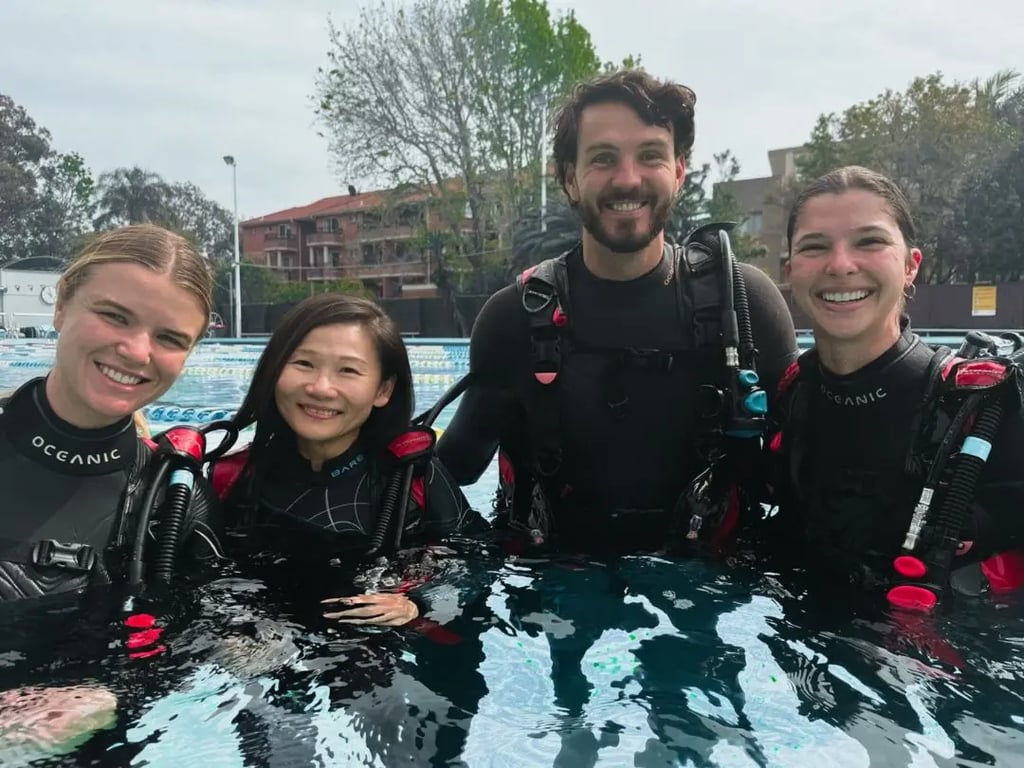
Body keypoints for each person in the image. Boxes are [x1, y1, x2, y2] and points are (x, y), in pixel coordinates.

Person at [437, 68, 798, 554]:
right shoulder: (514, 320)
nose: (627, 179)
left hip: (707, 589)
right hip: (552, 585)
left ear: (679, 171)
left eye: (650, 155)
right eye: (603, 159)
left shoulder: (746, 305)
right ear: (569, 179)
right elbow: (452, 470)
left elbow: (805, 474)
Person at [0, 223, 225, 760]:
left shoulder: (170, 500)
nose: (136, 351)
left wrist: (108, 696)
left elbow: (212, 637)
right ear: (61, 306)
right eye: (114, 316)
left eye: (170, 339)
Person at [766, 165, 1024, 611]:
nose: (841, 265)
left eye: (870, 241)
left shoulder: (989, 412)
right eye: (815, 246)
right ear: (791, 272)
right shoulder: (792, 398)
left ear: (910, 266)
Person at [210, 292, 491, 628]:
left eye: (348, 371)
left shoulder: (413, 478)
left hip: (372, 645)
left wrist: (419, 603)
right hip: (262, 638)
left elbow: (479, 559)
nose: (321, 387)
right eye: (304, 364)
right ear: (274, 370)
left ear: (383, 390)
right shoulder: (232, 477)